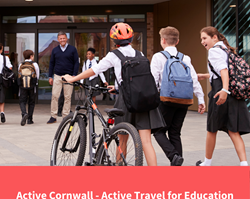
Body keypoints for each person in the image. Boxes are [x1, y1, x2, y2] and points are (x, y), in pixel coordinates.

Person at [62, 22, 165, 166]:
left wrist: (73, 78)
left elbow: (95, 70)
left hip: (126, 100)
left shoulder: (114, 55)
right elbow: (136, 79)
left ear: (114, 40)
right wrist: (117, 86)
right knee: (147, 142)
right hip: (144, 100)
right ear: (131, 38)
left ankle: (119, 171)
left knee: (122, 139)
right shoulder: (139, 54)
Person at [150, 26, 206, 166]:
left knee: (158, 131)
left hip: (166, 100)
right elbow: (194, 79)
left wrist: (151, 99)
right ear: (177, 41)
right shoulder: (185, 58)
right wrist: (201, 99)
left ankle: (173, 156)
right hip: (184, 100)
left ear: (163, 40)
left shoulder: (158, 56)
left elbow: (153, 80)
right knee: (175, 132)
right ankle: (177, 165)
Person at [196, 26, 250, 166]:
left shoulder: (214, 51)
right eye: (201, 39)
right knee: (233, 130)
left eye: (204, 38)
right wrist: (206, 75)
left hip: (221, 92)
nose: (202, 42)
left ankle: (207, 163)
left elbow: (224, 71)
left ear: (214, 37)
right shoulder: (226, 49)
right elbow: (223, 72)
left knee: (212, 129)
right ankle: (244, 164)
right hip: (233, 93)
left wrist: (224, 91)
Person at [47, 31, 79, 124]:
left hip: (69, 76)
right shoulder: (55, 50)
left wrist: (74, 75)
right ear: (58, 39)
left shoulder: (73, 49)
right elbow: (51, 63)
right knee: (54, 96)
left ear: (66, 38)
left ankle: (65, 116)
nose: (62, 40)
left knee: (67, 97)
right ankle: (53, 116)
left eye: (63, 38)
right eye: (60, 38)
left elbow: (76, 62)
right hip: (57, 76)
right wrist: (50, 76)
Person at [18, 49, 40, 126]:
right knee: (31, 102)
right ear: (31, 56)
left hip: (22, 86)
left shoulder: (21, 64)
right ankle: (30, 119)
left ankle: (24, 114)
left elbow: (19, 74)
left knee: (22, 101)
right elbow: (37, 75)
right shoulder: (35, 64)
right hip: (32, 85)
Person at [0, 43, 13, 123]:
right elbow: (10, 68)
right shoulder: (5, 58)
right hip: (2, 78)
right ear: (1, 49)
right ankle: (2, 112)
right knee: (2, 96)